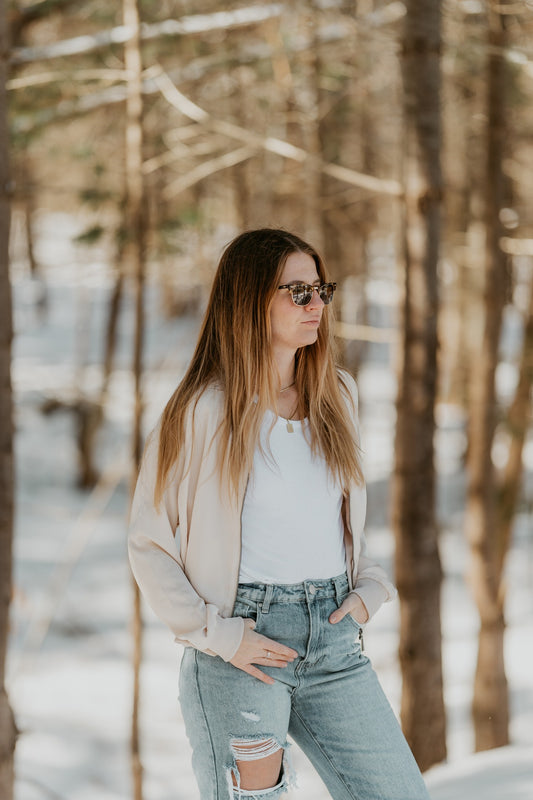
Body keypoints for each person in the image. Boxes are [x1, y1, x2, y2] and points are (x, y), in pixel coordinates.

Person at [128, 228, 431, 800]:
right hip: (243, 645)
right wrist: (216, 634)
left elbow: (335, 520)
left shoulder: (338, 395)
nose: (317, 305)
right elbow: (149, 543)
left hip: (335, 642)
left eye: (321, 290)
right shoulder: (202, 410)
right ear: (248, 300)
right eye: (298, 292)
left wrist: (369, 584)